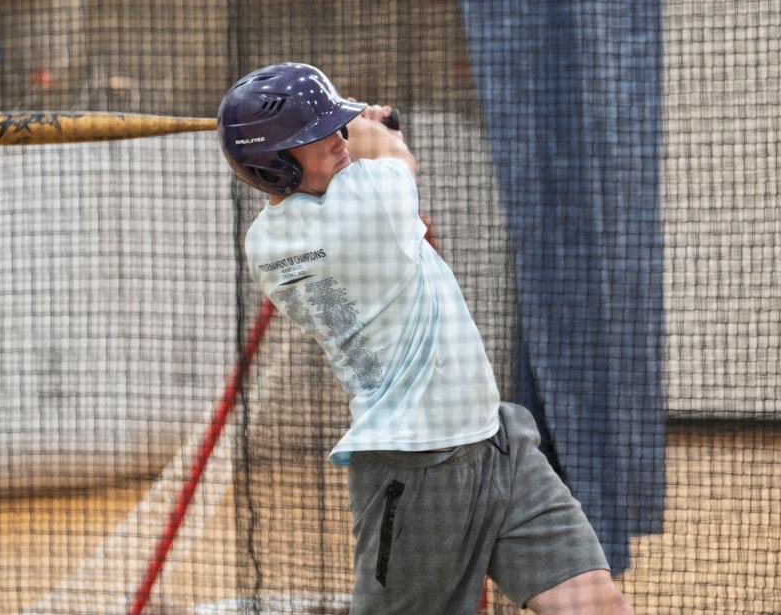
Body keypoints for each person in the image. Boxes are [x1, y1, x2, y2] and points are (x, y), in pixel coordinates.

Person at [217, 62, 632, 615]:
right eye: (318, 137)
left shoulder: (266, 241)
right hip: (413, 472)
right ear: (274, 165)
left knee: (594, 604)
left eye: (336, 129)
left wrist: (344, 123)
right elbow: (393, 155)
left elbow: (359, 155)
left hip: (496, 442)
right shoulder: (364, 209)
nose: (338, 141)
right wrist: (373, 125)